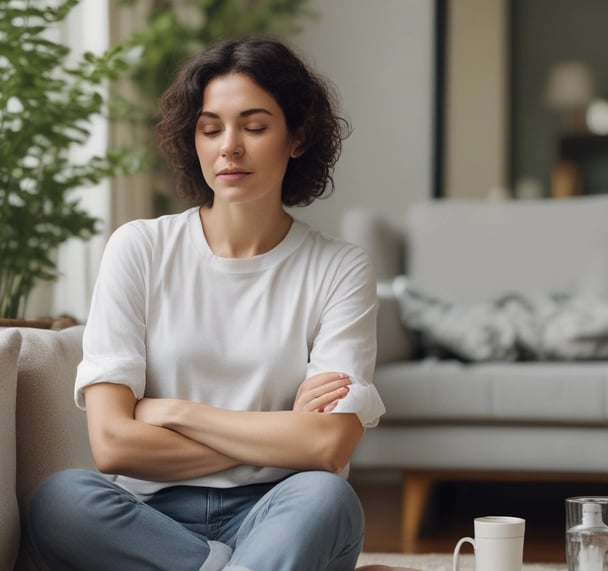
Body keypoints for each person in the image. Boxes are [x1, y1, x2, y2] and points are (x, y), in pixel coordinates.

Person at [29, 36, 386, 571]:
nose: (230, 147)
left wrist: (172, 412)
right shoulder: (140, 248)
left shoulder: (340, 268)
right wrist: (283, 431)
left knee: (327, 497)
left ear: (298, 136)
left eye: (255, 126)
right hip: (151, 517)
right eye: (211, 127)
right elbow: (112, 444)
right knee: (61, 500)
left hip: (281, 509)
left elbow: (329, 446)